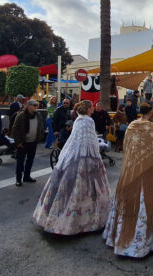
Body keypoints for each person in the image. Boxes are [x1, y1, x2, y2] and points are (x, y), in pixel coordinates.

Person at [103, 102, 153, 257]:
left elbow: (127, 146)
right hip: (150, 169)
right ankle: (148, 238)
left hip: (132, 168)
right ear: (150, 111)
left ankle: (125, 234)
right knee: (150, 200)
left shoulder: (131, 126)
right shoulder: (152, 127)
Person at [32, 100, 110, 234]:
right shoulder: (88, 121)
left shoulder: (79, 119)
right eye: (92, 107)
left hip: (73, 155)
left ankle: (56, 216)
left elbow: (75, 140)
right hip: (87, 156)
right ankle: (85, 220)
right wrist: (96, 155)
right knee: (88, 188)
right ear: (88, 108)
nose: (93, 109)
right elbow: (91, 140)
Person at [11, 99, 45, 187]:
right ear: (28, 106)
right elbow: (15, 129)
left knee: (30, 160)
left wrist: (39, 137)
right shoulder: (21, 115)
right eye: (34, 105)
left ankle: (26, 176)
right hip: (23, 142)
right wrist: (18, 142)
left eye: (36, 105)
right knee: (20, 162)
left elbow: (41, 126)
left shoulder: (38, 115)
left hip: (33, 142)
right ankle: (18, 179)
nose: (36, 107)